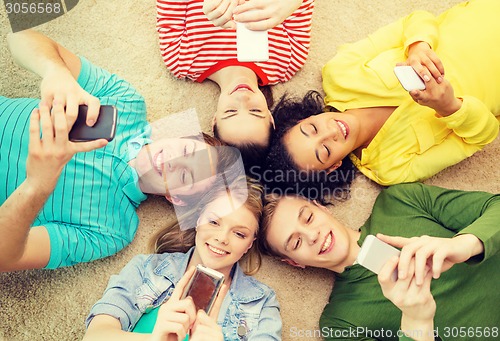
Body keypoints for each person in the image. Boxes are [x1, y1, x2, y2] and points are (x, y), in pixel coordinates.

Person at [0, 30, 239, 272]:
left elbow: (5, 257)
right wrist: (55, 71)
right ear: (179, 137)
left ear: (174, 198)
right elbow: (17, 38)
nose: (174, 161)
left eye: (185, 176)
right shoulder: (126, 102)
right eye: (186, 150)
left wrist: (37, 185)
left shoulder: (113, 229)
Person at [266, 0, 500, 200]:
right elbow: (483, 136)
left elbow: (416, 19)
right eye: (325, 150)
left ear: (306, 117)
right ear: (333, 167)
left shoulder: (340, 73)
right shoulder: (392, 169)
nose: (330, 132)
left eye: (313, 128)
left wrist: (418, 47)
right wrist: (448, 106)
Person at [258, 182, 500, 340]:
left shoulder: (397, 201)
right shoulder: (340, 324)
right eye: (296, 243)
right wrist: (417, 319)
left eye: (308, 218)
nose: (312, 236)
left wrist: (463, 245)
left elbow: (495, 205)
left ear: (321, 207)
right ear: (294, 263)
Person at [84, 176, 281, 340]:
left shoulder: (261, 302)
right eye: (213, 221)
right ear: (198, 219)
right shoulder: (146, 268)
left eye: (239, 234)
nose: (222, 238)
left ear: (250, 244)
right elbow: (95, 335)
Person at [156, 0, 314, 166]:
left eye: (231, 111)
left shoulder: (181, 60)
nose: (242, 98)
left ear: (215, 119)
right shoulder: (288, 61)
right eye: (255, 110)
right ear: (270, 117)